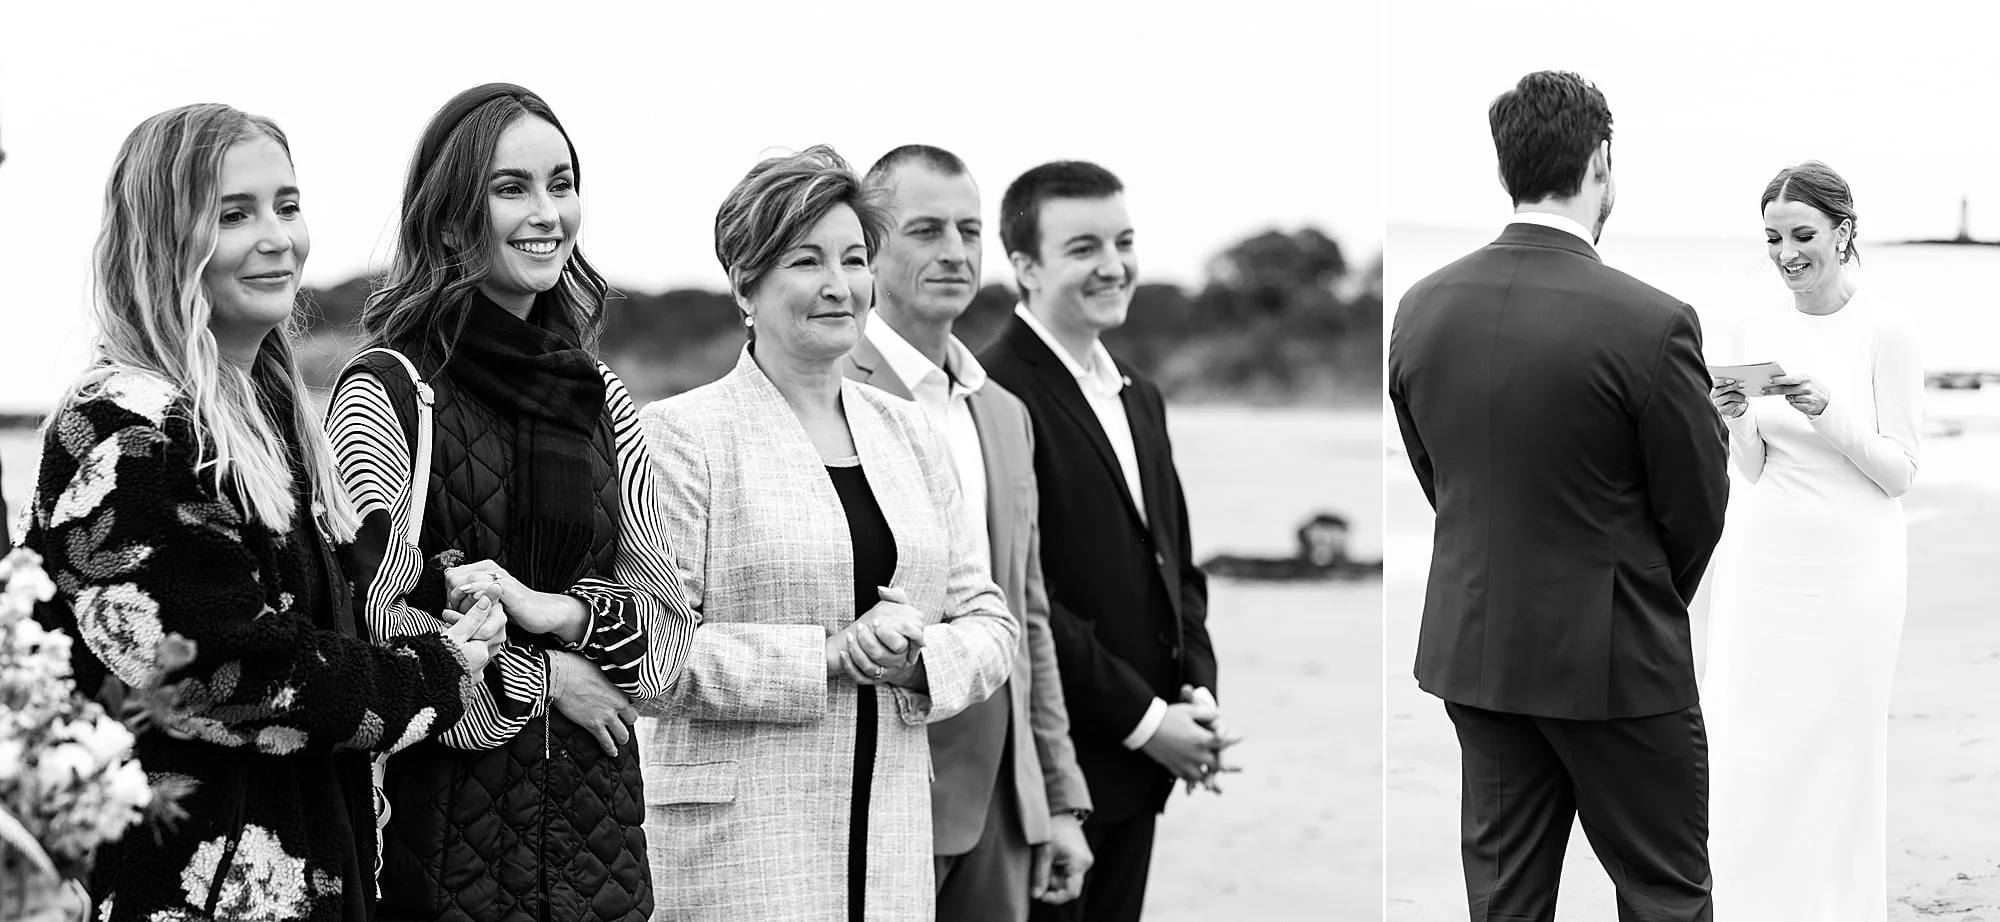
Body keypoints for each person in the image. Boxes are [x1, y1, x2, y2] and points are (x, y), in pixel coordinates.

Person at [20, 103, 500, 922]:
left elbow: (327, 592)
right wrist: (440, 676)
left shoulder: (268, 417)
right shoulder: (121, 426)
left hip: (317, 871)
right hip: (182, 889)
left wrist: (447, 593)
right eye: (234, 214)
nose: (278, 236)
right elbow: (222, 668)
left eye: (287, 204)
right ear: (166, 240)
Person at [326, 83, 697, 922]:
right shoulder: (386, 391)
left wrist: (563, 616)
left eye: (561, 184)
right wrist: (548, 680)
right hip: (432, 846)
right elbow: (374, 620)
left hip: (599, 849)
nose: (547, 212)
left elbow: (670, 636)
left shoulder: (602, 398)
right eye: (511, 187)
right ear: (453, 218)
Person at [636, 144, 1019, 922]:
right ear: (746, 280)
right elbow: (650, 655)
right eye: (807, 261)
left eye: (854, 259)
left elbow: (990, 622)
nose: (839, 285)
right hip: (737, 855)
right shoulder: (679, 437)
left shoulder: (910, 433)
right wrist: (831, 655)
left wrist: (921, 661)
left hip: (890, 850)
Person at [1388, 71, 1730, 921]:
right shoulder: (1652, 321)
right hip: (1616, 664)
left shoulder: (1420, 308)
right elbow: (1698, 504)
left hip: (1480, 649)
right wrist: (1640, 594)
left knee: (1504, 901)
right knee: (1665, 895)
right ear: (1601, 164)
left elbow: (1442, 477)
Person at [841, 144, 1095, 920]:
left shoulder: (1003, 412)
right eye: (925, 230)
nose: (955, 252)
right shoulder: (826, 390)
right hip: (878, 783)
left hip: (1001, 801)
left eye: (969, 230)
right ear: (871, 247)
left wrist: (1057, 796)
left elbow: (1030, 614)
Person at [980, 160, 1230, 922]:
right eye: (1084, 247)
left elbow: (1176, 565)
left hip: (1148, 765)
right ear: (1025, 266)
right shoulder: (994, 391)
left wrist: (1197, 693)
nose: (1114, 265)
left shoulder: (1139, 393)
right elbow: (1026, 598)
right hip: (1056, 773)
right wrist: (1150, 725)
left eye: (1124, 241)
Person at [1703, 161, 1920, 921]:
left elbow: (1898, 473)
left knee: (1838, 737)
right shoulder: (1751, 325)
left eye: (1802, 235)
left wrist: (1828, 408)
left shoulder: (1885, 331)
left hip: (1856, 566)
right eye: (1772, 238)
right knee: (1752, 735)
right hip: (1766, 557)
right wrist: (1731, 413)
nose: (1787, 254)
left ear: (1843, 231)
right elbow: (1757, 468)